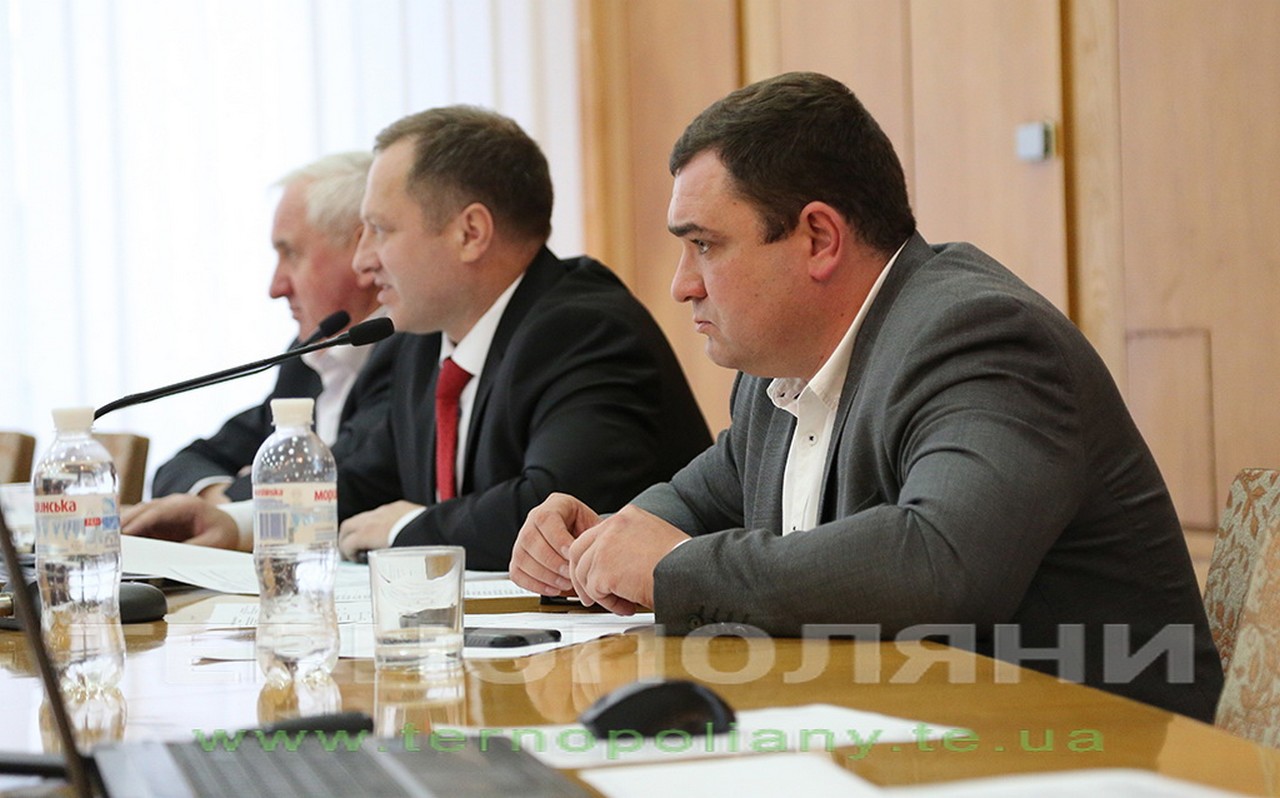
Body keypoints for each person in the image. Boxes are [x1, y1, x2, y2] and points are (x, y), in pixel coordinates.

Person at [508, 72, 1223, 722]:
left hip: (1090, 755)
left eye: (705, 246)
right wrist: (597, 543)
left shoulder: (979, 337)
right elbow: (698, 499)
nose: (681, 285)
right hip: (909, 738)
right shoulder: (778, 375)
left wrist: (671, 569)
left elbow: (938, 561)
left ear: (820, 238)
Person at [131, 105, 711, 569]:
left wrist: (407, 529)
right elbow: (363, 482)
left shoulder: (583, 329)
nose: (363, 262)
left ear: (470, 233)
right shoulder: (419, 341)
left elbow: (553, 511)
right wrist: (234, 523)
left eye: (379, 231)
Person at [149, 152, 393, 503]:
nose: (276, 288)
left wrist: (231, 506)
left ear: (361, 252)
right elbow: (184, 464)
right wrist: (219, 497)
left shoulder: (410, 354)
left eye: (290, 254)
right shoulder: (306, 360)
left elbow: (338, 481)